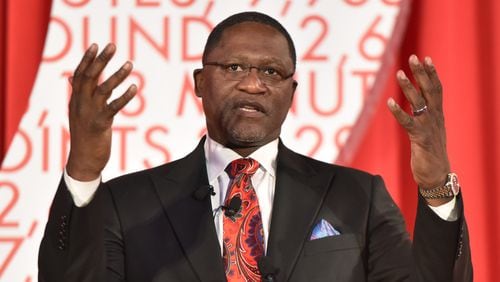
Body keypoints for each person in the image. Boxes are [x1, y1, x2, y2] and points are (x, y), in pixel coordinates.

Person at [38, 11, 472, 282]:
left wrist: (436, 186)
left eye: (271, 72)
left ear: (292, 91)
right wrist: (83, 171)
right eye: (234, 66)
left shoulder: (357, 197)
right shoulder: (125, 203)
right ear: (199, 83)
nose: (252, 83)